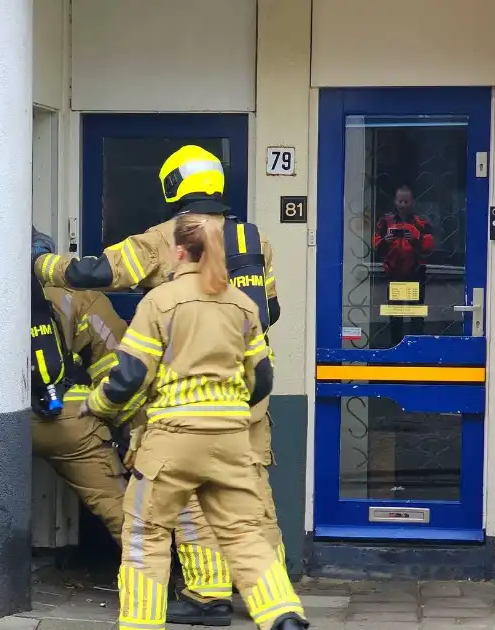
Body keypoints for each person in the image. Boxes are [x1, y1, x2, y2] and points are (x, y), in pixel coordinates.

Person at [33, 146, 284, 625]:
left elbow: (97, 273)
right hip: (247, 393)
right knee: (250, 493)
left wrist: (42, 263)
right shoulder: (254, 239)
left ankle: (207, 598)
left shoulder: (168, 237)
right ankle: (260, 596)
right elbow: (269, 312)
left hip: (185, 401)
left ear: (173, 187)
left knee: (189, 495)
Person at [81, 213, 309, 630]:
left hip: (172, 440)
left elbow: (129, 376)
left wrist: (98, 405)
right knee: (243, 533)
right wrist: (230, 410)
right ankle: (283, 614)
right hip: (231, 440)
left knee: (145, 537)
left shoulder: (161, 301)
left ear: (181, 251)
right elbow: (262, 377)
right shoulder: (242, 305)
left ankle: (140, 622)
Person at [29, 229, 143, 542]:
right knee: (121, 509)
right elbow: (117, 364)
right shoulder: (77, 294)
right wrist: (132, 429)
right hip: (66, 419)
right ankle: (152, 580)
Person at [373, 183, 434, 346]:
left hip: (416, 274)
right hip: (393, 274)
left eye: (406, 202)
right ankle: (395, 349)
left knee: (416, 315)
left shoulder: (421, 222)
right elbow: (376, 247)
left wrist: (415, 240)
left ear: (413, 202)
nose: (403, 205)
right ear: (395, 201)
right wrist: (386, 241)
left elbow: (429, 248)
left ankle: (416, 351)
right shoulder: (385, 221)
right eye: (400, 201)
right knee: (395, 316)